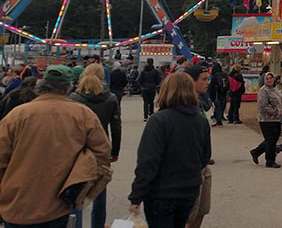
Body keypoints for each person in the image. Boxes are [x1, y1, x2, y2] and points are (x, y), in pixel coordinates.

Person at [0, 65, 111, 227]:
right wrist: (80, 182)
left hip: (17, 202)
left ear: (41, 85)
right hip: (58, 202)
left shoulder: (17, 115)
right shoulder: (83, 115)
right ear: (68, 87)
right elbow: (102, 154)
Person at [128, 72, 211, 228]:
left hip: (162, 192)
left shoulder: (159, 120)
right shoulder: (200, 121)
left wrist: (136, 196)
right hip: (189, 190)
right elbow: (205, 156)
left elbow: (148, 161)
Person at [69, 63, 121, 228]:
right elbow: (116, 126)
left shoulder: (73, 98)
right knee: (99, 189)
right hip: (101, 146)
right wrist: (115, 150)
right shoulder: (110, 98)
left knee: (76, 190)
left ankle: (76, 224)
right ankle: (97, 225)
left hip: (78, 147)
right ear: (103, 77)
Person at [184, 65, 214, 228]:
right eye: (203, 79)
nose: (208, 82)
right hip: (190, 169)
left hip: (203, 166)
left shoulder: (199, 102)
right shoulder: (184, 106)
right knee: (189, 215)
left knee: (201, 211)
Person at [250, 71, 282, 168]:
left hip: (276, 119)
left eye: (271, 78)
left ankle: (256, 152)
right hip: (266, 119)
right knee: (270, 140)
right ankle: (270, 160)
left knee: (273, 139)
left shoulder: (275, 89)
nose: (269, 80)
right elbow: (263, 105)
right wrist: (274, 111)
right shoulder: (263, 91)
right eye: (267, 78)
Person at [209, 62, 228, 127]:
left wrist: (211, 95)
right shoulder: (225, 75)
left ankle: (218, 121)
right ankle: (219, 117)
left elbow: (212, 86)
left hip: (216, 94)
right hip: (224, 93)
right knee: (222, 106)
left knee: (217, 107)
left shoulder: (215, 76)